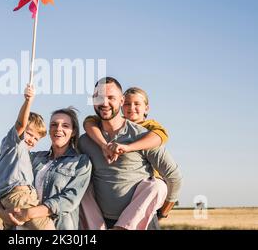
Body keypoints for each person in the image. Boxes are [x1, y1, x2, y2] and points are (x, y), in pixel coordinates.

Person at [78, 77, 182, 230]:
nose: (104, 103)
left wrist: (162, 213)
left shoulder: (144, 136)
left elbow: (174, 177)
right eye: (99, 98)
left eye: (111, 97)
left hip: (142, 224)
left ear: (121, 101)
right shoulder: (85, 140)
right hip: (100, 223)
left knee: (158, 185)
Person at [0, 107, 92, 230]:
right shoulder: (33, 157)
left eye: (65, 126)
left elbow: (69, 199)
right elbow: (7, 181)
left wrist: (29, 213)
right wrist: (0, 211)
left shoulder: (81, 162)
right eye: (54, 124)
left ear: (73, 132)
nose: (59, 129)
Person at [0, 84, 54, 230]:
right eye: (30, 134)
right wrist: (28, 101)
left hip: (8, 200)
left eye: (37, 139)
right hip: (21, 197)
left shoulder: (8, 159)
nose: (32, 140)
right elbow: (21, 123)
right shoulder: (14, 143)